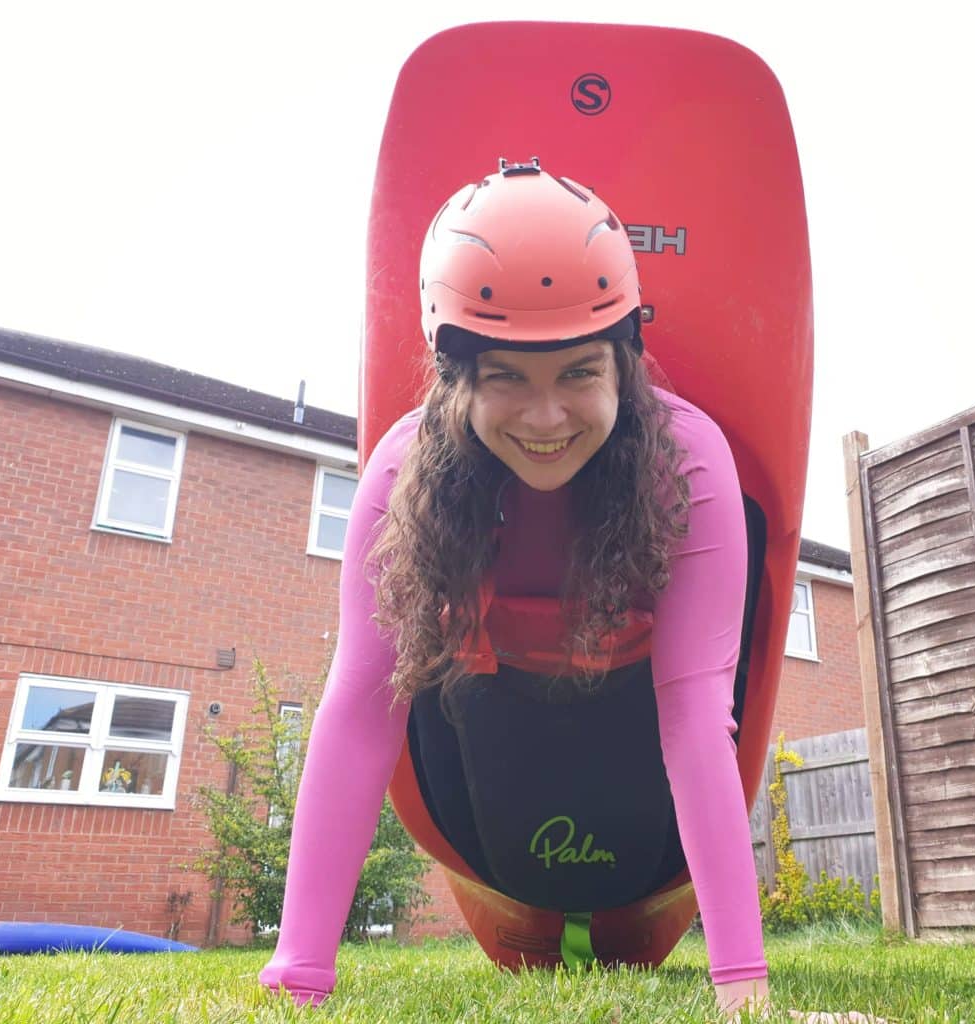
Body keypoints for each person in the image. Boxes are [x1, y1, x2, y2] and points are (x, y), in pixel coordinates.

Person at [259, 158, 826, 1020]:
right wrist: (297, 981)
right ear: (456, 380)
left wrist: (743, 989)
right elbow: (358, 708)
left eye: (578, 373)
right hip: (485, 767)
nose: (546, 415)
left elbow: (693, 716)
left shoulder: (687, 460)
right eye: (506, 378)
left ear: (625, 362)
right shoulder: (403, 468)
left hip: (635, 753)